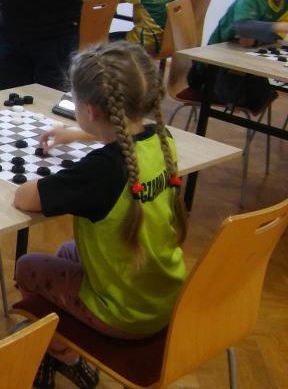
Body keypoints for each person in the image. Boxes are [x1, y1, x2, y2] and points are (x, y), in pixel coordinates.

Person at [13, 41, 187, 389]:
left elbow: (25, 197)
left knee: (28, 266)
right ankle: (65, 341)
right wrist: (77, 134)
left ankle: (63, 354)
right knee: (67, 252)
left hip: (123, 314)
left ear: (90, 110)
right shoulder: (162, 139)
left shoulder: (102, 171)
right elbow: (121, 136)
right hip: (167, 298)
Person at [189, 0, 288, 114]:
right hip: (215, 63)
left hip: (246, 59)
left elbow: (272, 36)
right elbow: (242, 26)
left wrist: (256, 38)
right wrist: (278, 27)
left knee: (263, 96)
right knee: (244, 96)